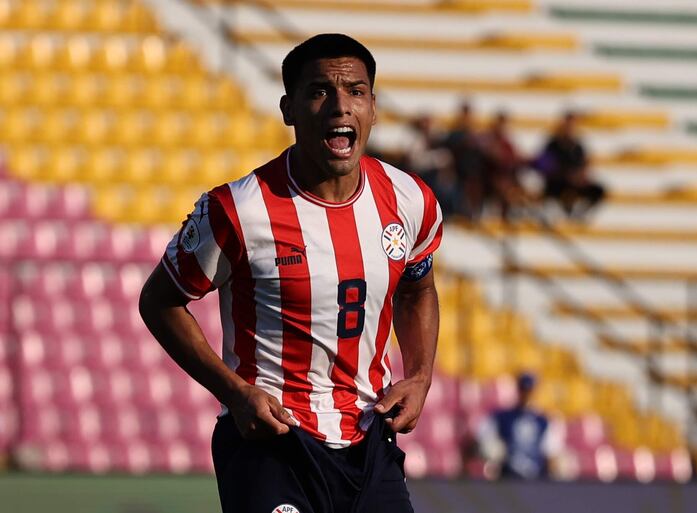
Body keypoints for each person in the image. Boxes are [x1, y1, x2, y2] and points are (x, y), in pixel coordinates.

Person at [138, 34, 442, 513]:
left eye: (356, 92)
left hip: (369, 441)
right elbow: (159, 300)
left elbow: (417, 289)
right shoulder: (237, 209)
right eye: (320, 91)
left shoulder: (411, 200)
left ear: (374, 107)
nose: (340, 107)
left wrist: (421, 376)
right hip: (271, 442)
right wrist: (235, 393)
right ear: (288, 108)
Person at [475, 373, 563, 480]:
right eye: (524, 390)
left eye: (529, 391)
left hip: (536, 478)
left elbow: (551, 453)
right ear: (518, 390)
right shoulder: (502, 417)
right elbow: (485, 441)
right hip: (508, 477)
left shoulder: (544, 421)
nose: (527, 395)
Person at [533, 111, 605, 219]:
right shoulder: (552, 144)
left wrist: (581, 174)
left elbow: (584, 164)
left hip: (574, 182)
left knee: (598, 190)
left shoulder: (577, 146)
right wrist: (565, 174)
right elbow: (544, 164)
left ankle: (579, 213)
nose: (570, 128)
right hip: (557, 181)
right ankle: (563, 210)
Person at [480, 110, 531, 219]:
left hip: (508, 178)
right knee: (504, 188)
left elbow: (514, 158)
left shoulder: (507, 143)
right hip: (489, 179)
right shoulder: (486, 140)